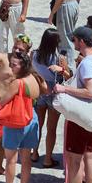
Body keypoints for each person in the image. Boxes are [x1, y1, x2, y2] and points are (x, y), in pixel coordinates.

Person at [54, 25, 92, 183]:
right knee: (90, 156)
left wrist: (65, 89)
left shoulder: (87, 63)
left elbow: (90, 91)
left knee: (74, 158)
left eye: (75, 40)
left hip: (82, 117)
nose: (74, 43)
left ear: (81, 41)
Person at [0, 44, 44, 183]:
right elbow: (45, 90)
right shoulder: (35, 77)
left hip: (16, 122)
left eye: (14, 65)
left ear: (23, 66)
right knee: (26, 159)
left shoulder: (17, 83)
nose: (11, 67)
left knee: (11, 160)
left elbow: (3, 101)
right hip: (31, 118)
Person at [31, 27, 68, 169]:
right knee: (51, 129)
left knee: (38, 125)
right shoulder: (60, 58)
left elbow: (32, 71)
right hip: (54, 94)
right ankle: (47, 159)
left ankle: (34, 153)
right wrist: (63, 70)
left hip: (40, 92)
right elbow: (68, 76)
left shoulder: (34, 54)